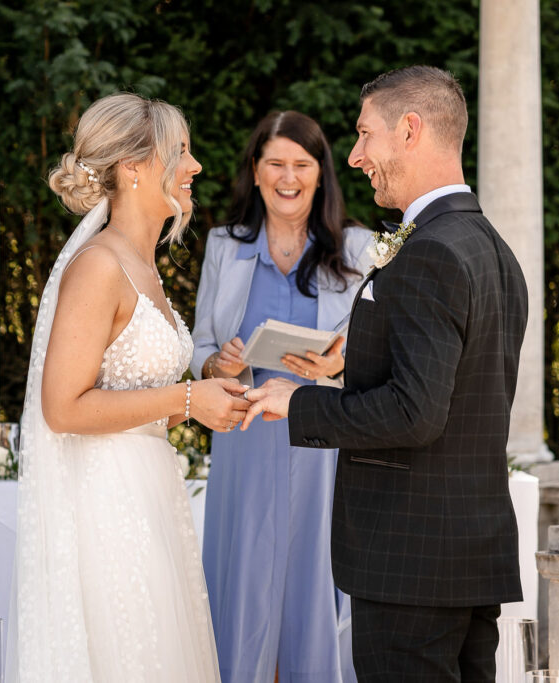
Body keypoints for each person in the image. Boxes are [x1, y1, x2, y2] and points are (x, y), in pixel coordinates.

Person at [242, 66, 529, 682]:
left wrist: (300, 402)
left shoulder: (431, 253)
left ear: (410, 130)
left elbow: (414, 412)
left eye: (365, 134)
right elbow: (451, 392)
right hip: (463, 555)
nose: (355, 155)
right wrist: (350, 360)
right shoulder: (491, 250)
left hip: (412, 563)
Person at [8, 93, 248, 682]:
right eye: (181, 152)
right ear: (133, 168)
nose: (193, 167)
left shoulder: (145, 267)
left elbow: (131, 403)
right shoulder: (99, 266)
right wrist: (188, 399)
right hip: (104, 506)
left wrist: (208, 384)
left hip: (148, 493)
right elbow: (62, 408)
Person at [191, 110, 373, 683]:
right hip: (243, 442)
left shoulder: (360, 248)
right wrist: (217, 362)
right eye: (276, 163)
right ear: (256, 170)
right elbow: (198, 345)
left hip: (323, 446)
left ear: (321, 174)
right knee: (241, 585)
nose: (288, 176)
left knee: (315, 586)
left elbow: (377, 360)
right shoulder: (224, 245)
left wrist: (336, 363)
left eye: (301, 164)